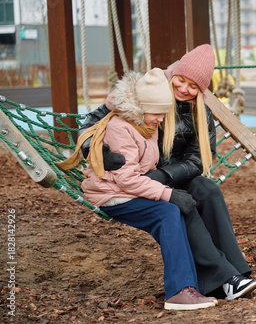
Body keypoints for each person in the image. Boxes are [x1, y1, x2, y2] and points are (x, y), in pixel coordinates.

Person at [78, 44, 256, 300]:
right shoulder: (145, 92)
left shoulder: (201, 111)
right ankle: (224, 278)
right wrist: (93, 150)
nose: (184, 89)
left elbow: (197, 159)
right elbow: (95, 120)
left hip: (168, 174)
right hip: (135, 174)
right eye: (181, 81)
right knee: (179, 207)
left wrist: (164, 177)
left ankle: (237, 273)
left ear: (202, 91)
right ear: (172, 75)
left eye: (193, 86)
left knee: (208, 190)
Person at [57, 68, 217, 310]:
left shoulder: (146, 126)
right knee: (168, 212)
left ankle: (191, 284)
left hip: (127, 190)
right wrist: (168, 193)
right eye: (157, 113)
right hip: (111, 194)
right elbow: (127, 180)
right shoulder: (121, 127)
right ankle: (179, 291)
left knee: (173, 211)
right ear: (141, 108)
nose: (162, 120)